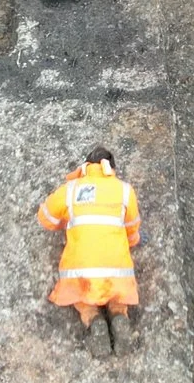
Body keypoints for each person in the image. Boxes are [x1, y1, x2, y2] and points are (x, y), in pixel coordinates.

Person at [37, 146, 140, 356]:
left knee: (83, 300)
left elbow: (45, 218)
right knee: (117, 295)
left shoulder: (71, 189)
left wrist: (68, 219)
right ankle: (119, 316)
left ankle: (94, 321)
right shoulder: (124, 190)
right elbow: (132, 229)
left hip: (82, 273)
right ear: (112, 168)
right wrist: (131, 241)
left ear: (85, 166)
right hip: (116, 271)